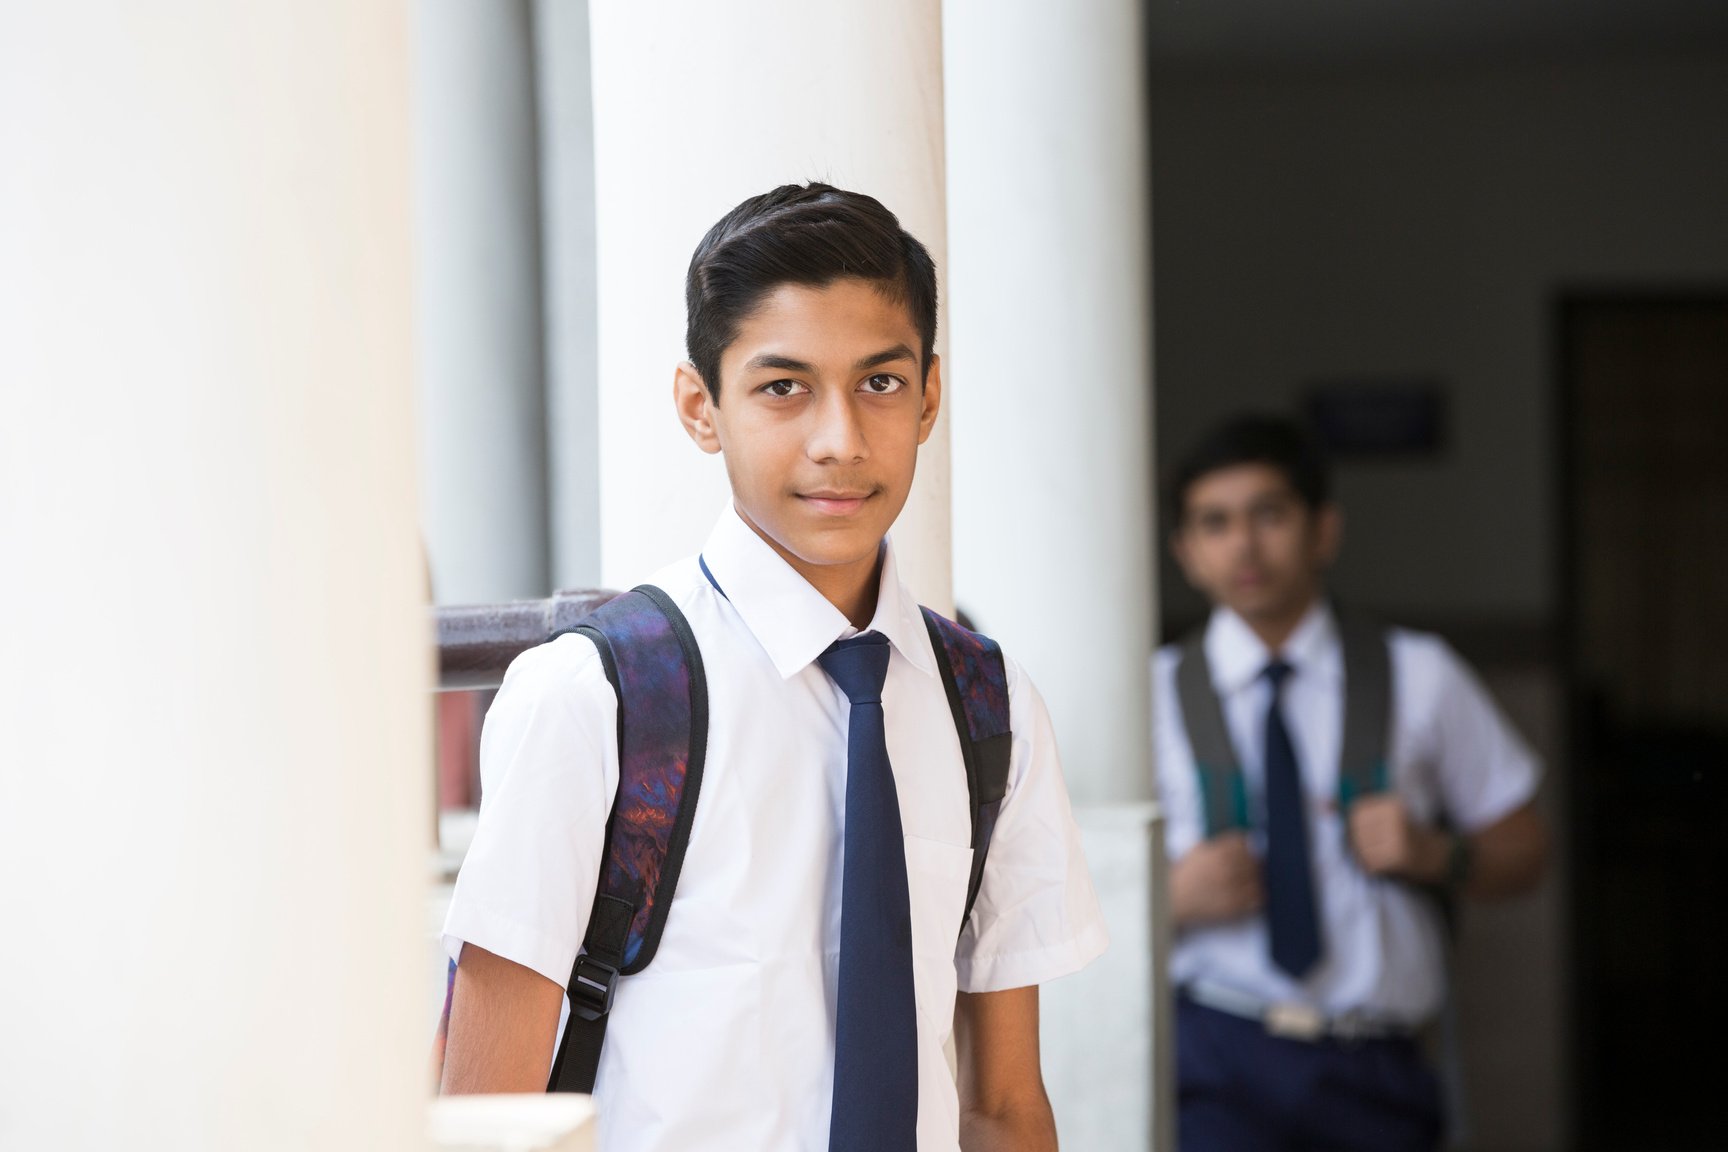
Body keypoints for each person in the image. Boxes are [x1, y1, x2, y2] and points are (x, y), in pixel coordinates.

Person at [438, 183, 1107, 1152]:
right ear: (699, 406)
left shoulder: (985, 706)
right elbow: (487, 1118)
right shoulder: (599, 699)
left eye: (878, 382)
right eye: (782, 387)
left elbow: (1004, 1105)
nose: (838, 439)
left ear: (929, 394)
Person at [1153, 415, 1548, 1152]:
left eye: (1268, 514)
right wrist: (1165, 900)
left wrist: (1436, 854)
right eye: (1215, 523)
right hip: (1217, 1059)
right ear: (1186, 552)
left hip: (1377, 1065)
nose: (1243, 543)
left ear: (1323, 530)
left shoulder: (1421, 675)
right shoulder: (1146, 697)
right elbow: (1050, 895)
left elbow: (1526, 848)